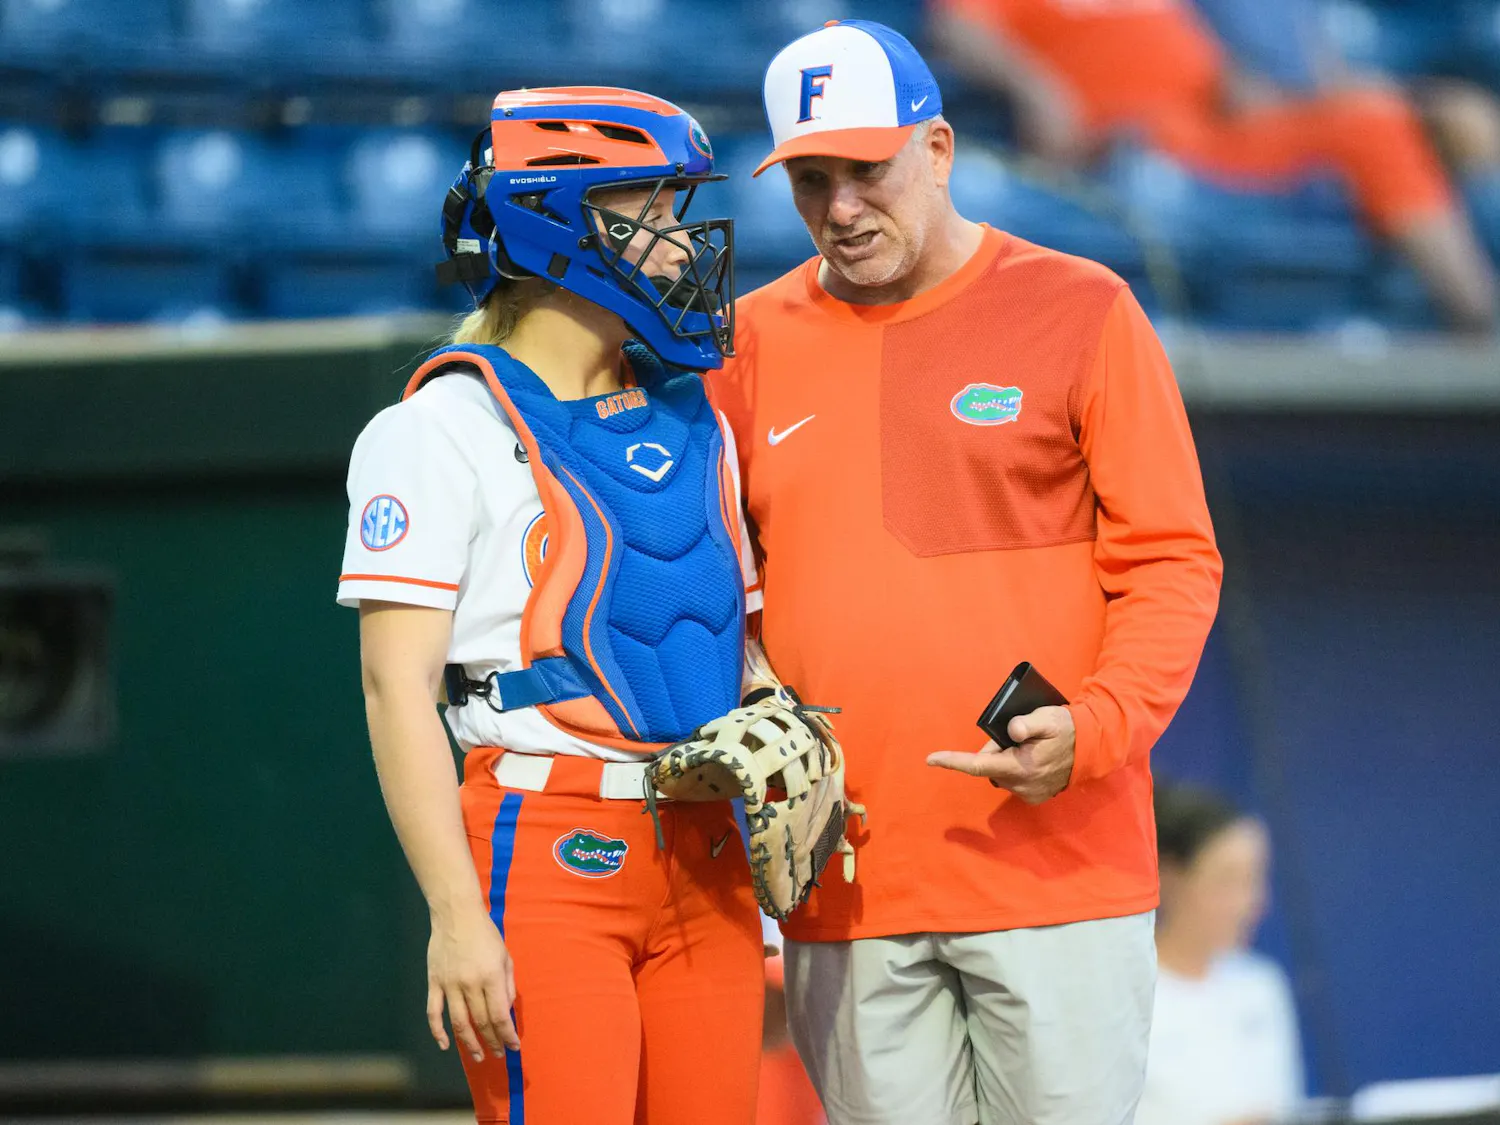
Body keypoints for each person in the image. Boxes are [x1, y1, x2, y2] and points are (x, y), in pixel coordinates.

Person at [713, 19, 1223, 1125]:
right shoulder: (743, 347)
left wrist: (1096, 727)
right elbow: (722, 593)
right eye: (811, 178)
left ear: (938, 148)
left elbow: (1172, 561)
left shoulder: (1082, 309)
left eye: (868, 169)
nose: (841, 207)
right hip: (844, 882)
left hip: (1057, 872)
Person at [337, 87, 766, 1125]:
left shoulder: (694, 410)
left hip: (707, 850)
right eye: (648, 211)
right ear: (560, 223)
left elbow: (737, 642)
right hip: (546, 842)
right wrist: (453, 914)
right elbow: (396, 693)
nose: (677, 244)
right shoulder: (438, 430)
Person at [930, 0, 1500, 332]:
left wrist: (1251, 89)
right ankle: (1475, 315)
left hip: (1217, 135)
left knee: (1409, 119)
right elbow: (959, 31)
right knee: (1374, 124)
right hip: (1138, 149)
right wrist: (1037, 89)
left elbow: (1218, 70)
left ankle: (1473, 315)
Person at [1137, 781, 1304, 1125]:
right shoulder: (1129, 995)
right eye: (1226, 881)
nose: (1250, 903)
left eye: (1254, 879)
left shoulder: (1262, 985)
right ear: (1169, 876)